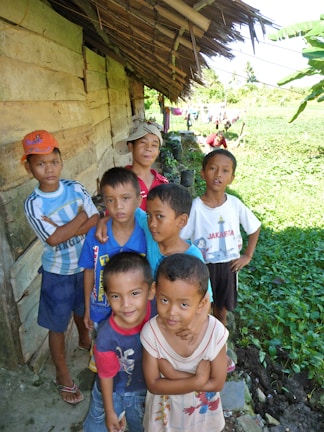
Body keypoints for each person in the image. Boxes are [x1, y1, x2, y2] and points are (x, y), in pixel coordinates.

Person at [21, 130, 99, 405]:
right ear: (28, 167)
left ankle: (84, 340)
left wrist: (76, 223)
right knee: (57, 325)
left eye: (53, 161)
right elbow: (54, 240)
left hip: (84, 266)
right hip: (57, 273)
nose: (49, 169)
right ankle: (62, 373)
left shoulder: (75, 188)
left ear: (60, 160)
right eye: (40, 164)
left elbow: (95, 218)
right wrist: (80, 218)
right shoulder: (33, 203)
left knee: (82, 309)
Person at [180, 149, 261, 369]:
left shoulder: (234, 204)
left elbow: (254, 228)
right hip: (202, 268)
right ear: (203, 173)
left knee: (221, 311)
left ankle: (219, 352)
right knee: (201, 309)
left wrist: (247, 255)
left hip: (228, 267)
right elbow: (182, 237)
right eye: (213, 168)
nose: (218, 174)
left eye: (225, 170)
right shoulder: (195, 207)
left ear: (231, 178)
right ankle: (198, 351)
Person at [141, 254, 228, 432]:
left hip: (202, 423)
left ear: (202, 303)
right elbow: (153, 384)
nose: (172, 312)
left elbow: (218, 383)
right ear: (155, 290)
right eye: (164, 300)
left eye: (183, 305)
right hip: (165, 422)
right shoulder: (152, 333)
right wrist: (198, 381)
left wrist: (172, 374)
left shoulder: (214, 333)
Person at [78, 167, 147, 370]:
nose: (118, 206)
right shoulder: (95, 236)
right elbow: (89, 270)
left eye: (125, 198)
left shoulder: (146, 236)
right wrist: (88, 309)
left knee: (132, 356)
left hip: (135, 310)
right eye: (110, 200)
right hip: (101, 308)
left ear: (138, 199)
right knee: (105, 354)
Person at [83, 252, 156, 432]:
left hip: (145, 392)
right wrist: (109, 411)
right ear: (107, 297)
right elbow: (106, 376)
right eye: (116, 296)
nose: (126, 304)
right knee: (98, 427)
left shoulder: (158, 315)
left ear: (151, 291)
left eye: (134, 293)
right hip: (111, 392)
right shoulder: (107, 337)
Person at [114, 119, 168, 210]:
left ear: (158, 152)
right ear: (131, 147)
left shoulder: (163, 183)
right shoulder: (120, 181)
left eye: (154, 145)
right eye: (143, 143)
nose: (148, 148)